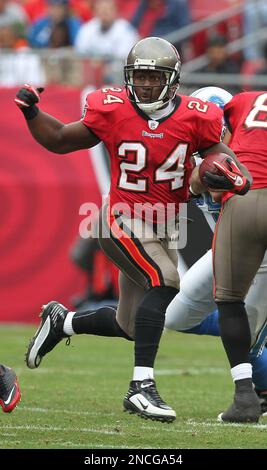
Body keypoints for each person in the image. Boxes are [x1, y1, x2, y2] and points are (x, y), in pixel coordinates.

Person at [15, 37, 250, 423]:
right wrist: (31, 114)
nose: (143, 85)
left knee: (130, 324)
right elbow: (59, 139)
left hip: (164, 228)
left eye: (152, 78)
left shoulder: (197, 116)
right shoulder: (112, 109)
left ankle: (63, 321)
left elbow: (223, 160)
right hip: (121, 217)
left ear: (172, 80)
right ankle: (141, 387)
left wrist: (235, 177)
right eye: (138, 77)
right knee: (166, 280)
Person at [189, 87, 267, 424]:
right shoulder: (202, 151)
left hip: (246, 204)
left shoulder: (244, 102)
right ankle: (250, 390)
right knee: (178, 313)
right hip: (236, 230)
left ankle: (249, 394)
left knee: (235, 310)